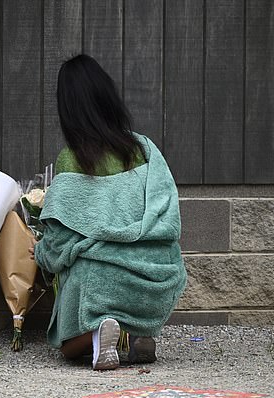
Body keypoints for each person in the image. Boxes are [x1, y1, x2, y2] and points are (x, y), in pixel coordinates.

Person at [30, 54, 187, 370]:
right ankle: (134, 334)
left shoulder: (72, 159)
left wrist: (41, 255)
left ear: (68, 110)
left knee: (66, 348)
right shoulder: (145, 150)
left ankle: (102, 332)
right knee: (106, 281)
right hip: (158, 279)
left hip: (102, 283)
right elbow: (169, 217)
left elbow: (60, 245)